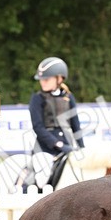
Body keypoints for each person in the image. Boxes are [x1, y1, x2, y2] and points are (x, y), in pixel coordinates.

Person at [28, 56, 84, 190]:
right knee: (42, 179)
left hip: (68, 146)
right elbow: (38, 127)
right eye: (41, 80)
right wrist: (58, 144)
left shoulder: (68, 97)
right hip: (44, 148)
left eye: (46, 79)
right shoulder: (37, 99)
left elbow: (75, 125)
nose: (43, 83)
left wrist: (81, 147)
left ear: (59, 79)